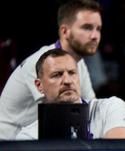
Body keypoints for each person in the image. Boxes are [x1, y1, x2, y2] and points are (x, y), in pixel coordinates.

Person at [0, 0, 101, 140]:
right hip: (9, 149)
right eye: (87, 28)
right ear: (65, 31)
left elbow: (91, 110)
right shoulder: (40, 62)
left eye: (98, 29)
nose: (95, 36)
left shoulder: (78, 63)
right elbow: (60, 113)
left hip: (39, 143)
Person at [15, 49, 125, 140]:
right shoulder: (28, 136)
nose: (67, 81)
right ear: (39, 86)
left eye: (72, 73)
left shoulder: (110, 108)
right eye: (57, 75)